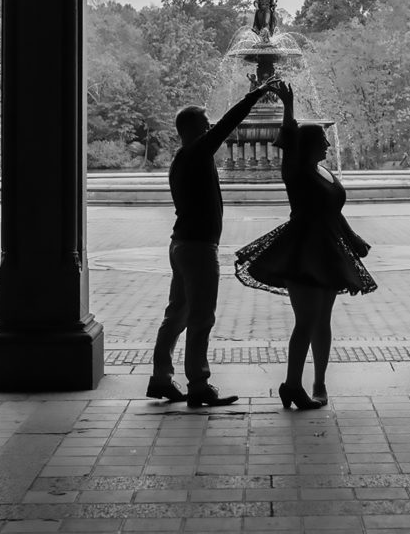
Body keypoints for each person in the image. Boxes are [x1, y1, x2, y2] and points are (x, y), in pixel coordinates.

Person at [234, 80, 376, 410]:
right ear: (308, 146)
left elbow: (332, 211)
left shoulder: (323, 172)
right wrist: (288, 104)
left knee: (322, 320)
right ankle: (291, 385)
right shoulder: (296, 172)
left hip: (327, 252)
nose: (328, 144)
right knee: (306, 321)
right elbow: (287, 136)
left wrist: (353, 239)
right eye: (323, 140)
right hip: (301, 253)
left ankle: (319, 383)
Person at [147, 79, 270, 408]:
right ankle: (198, 385)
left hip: (181, 244)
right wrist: (256, 95)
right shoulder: (197, 151)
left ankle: (160, 379)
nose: (211, 127)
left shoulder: (180, 158)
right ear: (191, 129)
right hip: (199, 249)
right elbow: (230, 122)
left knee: (175, 315)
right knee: (201, 318)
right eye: (205, 123)